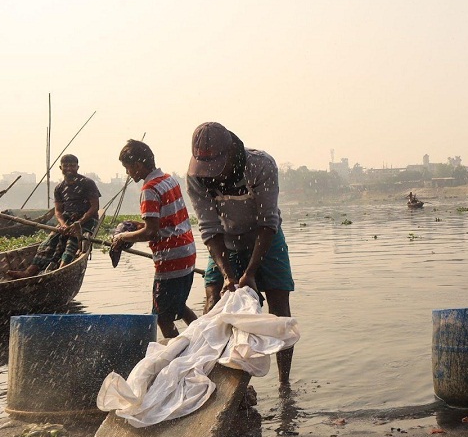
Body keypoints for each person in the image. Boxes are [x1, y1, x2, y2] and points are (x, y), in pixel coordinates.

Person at [186, 122, 295, 384]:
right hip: (225, 240)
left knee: (279, 307)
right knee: (214, 301)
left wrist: (251, 272)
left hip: (265, 237)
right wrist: (228, 274)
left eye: (215, 166)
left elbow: (268, 222)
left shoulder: (260, 165)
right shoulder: (195, 177)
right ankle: (215, 381)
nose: (210, 174)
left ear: (230, 153)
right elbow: (209, 229)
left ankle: (284, 384)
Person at [110, 140, 198, 339]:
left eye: (127, 168)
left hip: (171, 259)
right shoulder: (168, 180)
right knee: (179, 305)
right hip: (187, 253)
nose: (128, 173)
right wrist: (138, 226)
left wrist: (122, 236)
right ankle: (205, 339)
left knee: (162, 317)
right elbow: (166, 222)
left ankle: (179, 353)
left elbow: (151, 232)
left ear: (137, 165)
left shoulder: (149, 189)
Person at [8, 154, 100, 278]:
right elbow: (58, 211)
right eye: (66, 166)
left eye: (72, 166)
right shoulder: (59, 188)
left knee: (72, 243)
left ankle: (61, 270)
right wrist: (63, 225)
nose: (69, 168)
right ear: (61, 168)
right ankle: (29, 271)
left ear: (77, 167)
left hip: (87, 220)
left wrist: (79, 223)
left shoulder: (88, 183)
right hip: (67, 220)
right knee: (48, 243)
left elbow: (94, 207)